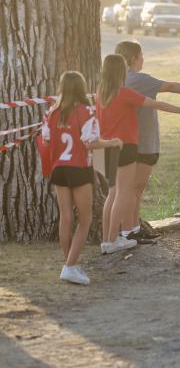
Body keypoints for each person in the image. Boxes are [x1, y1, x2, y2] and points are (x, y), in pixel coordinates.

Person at [115, 40, 180, 243]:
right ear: (135, 57)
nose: (143, 59)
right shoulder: (138, 79)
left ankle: (134, 227)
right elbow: (170, 86)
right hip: (143, 142)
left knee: (133, 189)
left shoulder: (118, 81)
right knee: (133, 189)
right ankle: (127, 231)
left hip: (129, 141)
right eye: (142, 55)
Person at [97, 54, 180, 254]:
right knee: (123, 192)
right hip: (125, 146)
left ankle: (106, 239)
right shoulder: (125, 93)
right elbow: (158, 105)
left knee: (112, 193)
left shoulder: (100, 94)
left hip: (105, 147)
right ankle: (112, 240)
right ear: (121, 71)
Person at [41, 71, 122, 285]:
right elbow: (91, 143)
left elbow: (46, 141)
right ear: (80, 87)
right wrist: (112, 142)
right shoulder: (86, 111)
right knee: (84, 220)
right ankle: (70, 267)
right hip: (78, 168)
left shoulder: (51, 112)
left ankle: (70, 264)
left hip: (59, 169)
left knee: (65, 218)